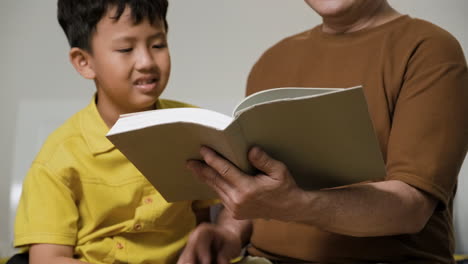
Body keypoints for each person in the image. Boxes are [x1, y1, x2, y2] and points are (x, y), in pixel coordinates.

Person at [178, 0, 468, 263]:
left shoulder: (430, 49)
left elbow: (412, 209)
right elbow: (255, 185)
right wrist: (227, 234)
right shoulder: (272, 60)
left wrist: (294, 205)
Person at [11, 1, 217, 264]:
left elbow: (207, 220)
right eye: (125, 49)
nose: (146, 61)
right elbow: (48, 259)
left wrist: (217, 235)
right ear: (84, 62)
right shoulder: (59, 157)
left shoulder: (190, 127)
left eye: (158, 45)